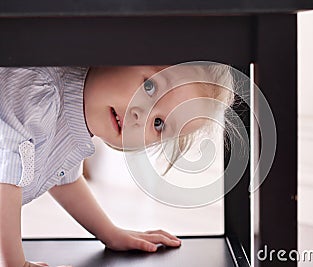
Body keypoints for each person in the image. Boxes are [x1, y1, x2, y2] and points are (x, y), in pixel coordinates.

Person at [0, 63, 234, 267]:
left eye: (159, 123)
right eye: (149, 87)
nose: (139, 114)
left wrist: (109, 233)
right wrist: (15, 263)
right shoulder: (40, 92)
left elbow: (64, 180)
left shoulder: (71, 126)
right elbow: (4, 178)